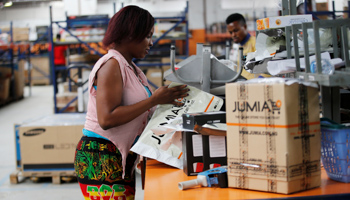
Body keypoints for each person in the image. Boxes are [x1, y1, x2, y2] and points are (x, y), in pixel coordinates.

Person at [73, 5, 189, 200]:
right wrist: (154, 99)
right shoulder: (111, 65)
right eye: (147, 36)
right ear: (129, 34)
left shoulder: (132, 69)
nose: (151, 43)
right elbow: (106, 119)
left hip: (120, 158)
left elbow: (141, 111)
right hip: (101, 158)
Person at [226, 13, 269, 79]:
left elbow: (267, 67)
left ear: (245, 27)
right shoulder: (239, 47)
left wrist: (259, 81)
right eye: (231, 32)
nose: (233, 35)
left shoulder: (256, 43)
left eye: (236, 30)